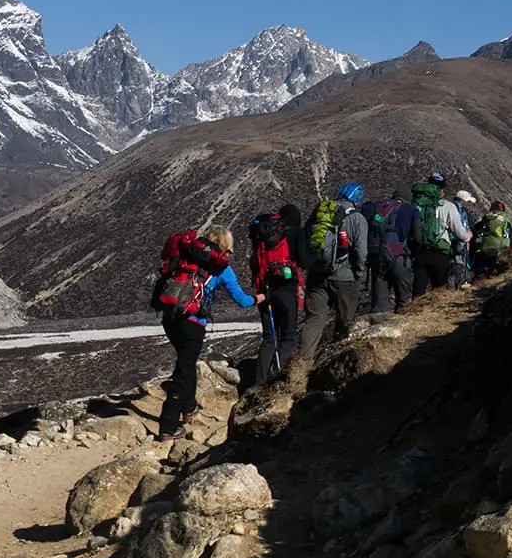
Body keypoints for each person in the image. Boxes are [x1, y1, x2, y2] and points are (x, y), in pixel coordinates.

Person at [158, 225, 263, 440]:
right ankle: (168, 426)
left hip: (171, 319)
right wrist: (258, 298)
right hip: (193, 323)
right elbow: (241, 300)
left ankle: (188, 407)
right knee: (184, 370)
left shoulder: (186, 259)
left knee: (185, 363)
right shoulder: (221, 269)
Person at [298, 184, 368, 358]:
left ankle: (301, 363)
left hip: (317, 274)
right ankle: (335, 361)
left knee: (313, 320)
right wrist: (359, 273)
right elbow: (361, 251)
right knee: (346, 322)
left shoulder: (320, 213)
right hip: (345, 277)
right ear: (357, 199)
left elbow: (306, 238)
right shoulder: (357, 219)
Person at [251, 204, 305, 384]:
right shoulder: (294, 235)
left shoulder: (261, 238)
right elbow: (304, 261)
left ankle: (259, 381)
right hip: (287, 290)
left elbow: (254, 264)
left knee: (268, 338)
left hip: (265, 291)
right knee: (288, 337)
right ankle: (279, 380)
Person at [411, 173, 471, 296]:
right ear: (442, 190)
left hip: (419, 252)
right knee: (438, 292)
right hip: (440, 253)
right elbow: (460, 234)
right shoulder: (448, 206)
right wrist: (468, 235)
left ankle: (415, 312)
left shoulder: (417, 204)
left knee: (418, 291)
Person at [364, 188, 422, 313]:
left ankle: (379, 326)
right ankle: (403, 326)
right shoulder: (412, 210)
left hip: (377, 255)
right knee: (404, 301)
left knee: (380, 302)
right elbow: (417, 237)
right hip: (399, 256)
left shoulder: (381, 207)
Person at [470, 200, 512, 278]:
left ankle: (478, 282)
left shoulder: (483, 221)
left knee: (480, 273)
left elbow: (473, 237)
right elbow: (510, 239)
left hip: (481, 251)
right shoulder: (506, 224)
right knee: (493, 274)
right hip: (498, 251)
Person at [450, 189, 478, 287]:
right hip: (457, 242)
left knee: (459, 265)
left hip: (461, 243)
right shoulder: (457, 210)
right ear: (463, 200)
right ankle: (453, 287)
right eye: (468, 202)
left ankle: (458, 284)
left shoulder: (462, 211)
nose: (469, 204)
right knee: (457, 266)